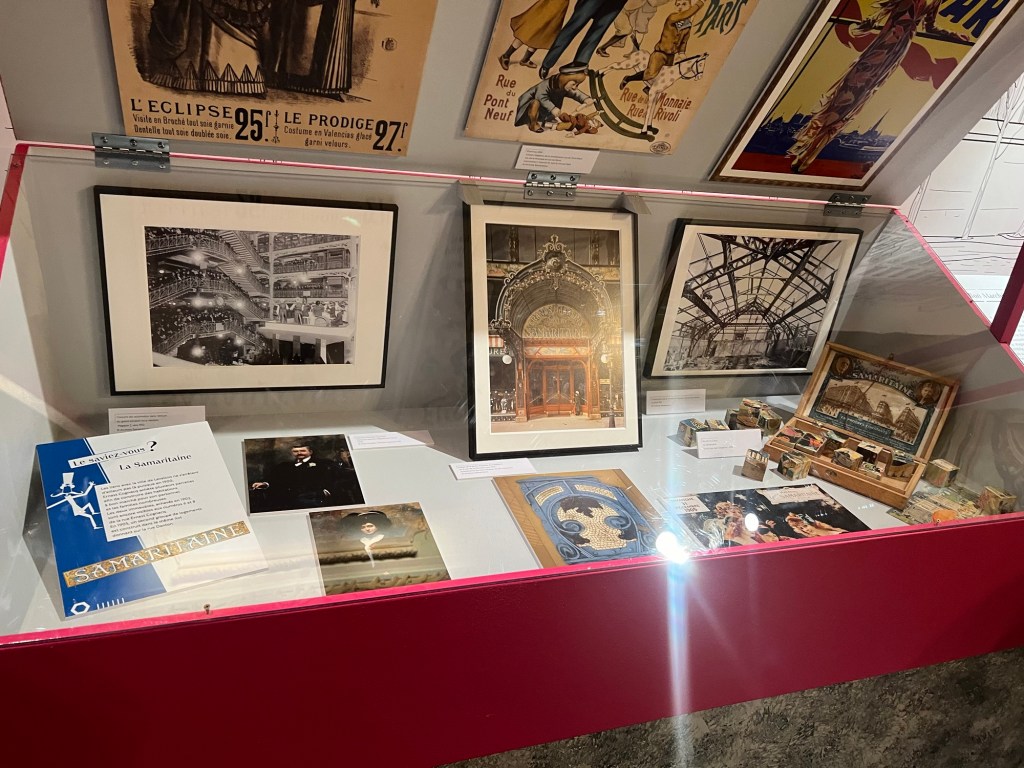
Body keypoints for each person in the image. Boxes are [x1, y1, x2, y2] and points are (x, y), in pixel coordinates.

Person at [787, 0, 969, 174]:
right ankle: (807, 150)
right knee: (845, 97)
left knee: (856, 103)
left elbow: (930, 27)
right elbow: (883, 11)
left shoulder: (935, 1)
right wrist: (869, 22)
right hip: (881, 48)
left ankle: (809, 153)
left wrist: (953, 34)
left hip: (895, 55)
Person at [619, 0, 704, 92]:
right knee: (650, 74)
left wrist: (682, 52)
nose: (680, 7)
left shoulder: (687, 25)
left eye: (684, 4)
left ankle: (648, 88)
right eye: (678, 5)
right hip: (660, 53)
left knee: (665, 76)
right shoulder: (672, 17)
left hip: (671, 56)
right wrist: (700, 3)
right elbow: (685, 15)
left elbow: (684, 40)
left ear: (689, 6)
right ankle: (628, 78)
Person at [249, 442, 358, 512]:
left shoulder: (324, 464)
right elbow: (276, 480)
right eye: (296, 451)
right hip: (290, 500)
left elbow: (339, 479)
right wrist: (265, 484)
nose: (299, 453)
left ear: (310, 452)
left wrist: (327, 491)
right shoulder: (285, 466)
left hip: (316, 499)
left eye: (302, 450)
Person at [538, 0, 630, 79]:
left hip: (616, 3)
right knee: (574, 24)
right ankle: (548, 63)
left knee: (598, 31)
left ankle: (580, 63)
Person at [497, 0, 571, 70]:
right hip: (548, 5)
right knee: (531, 29)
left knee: (543, 32)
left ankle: (525, 59)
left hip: (560, 8)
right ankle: (506, 56)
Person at [515, 69, 594, 133]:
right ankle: (533, 124)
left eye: (577, 85)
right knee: (535, 103)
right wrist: (552, 108)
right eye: (573, 84)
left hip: (544, 111)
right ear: (565, 80)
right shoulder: (545, 85)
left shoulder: (564, 86)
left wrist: (585, 98)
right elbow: (540, 97)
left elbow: (575, 93)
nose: (575, 87)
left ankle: (545, 119)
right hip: (528, 108)